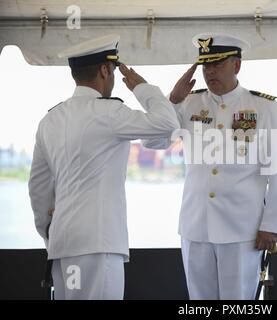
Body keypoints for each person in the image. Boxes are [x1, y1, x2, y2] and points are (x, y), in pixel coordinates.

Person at [28, 34, 179, 299]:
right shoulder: (109, 113)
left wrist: (50, 233)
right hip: (98, 244)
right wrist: (142, 88)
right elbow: (167, 124)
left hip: (63, 246)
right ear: (104, 69)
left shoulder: (49, 120)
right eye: (112, 71)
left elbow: (38, 188)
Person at [140, 33, 277, 299]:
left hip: (242, 228)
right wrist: (171, 101)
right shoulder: (188, 102)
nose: (210, 71)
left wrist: (272, 224)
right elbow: (153, 142)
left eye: (217, 64)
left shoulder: (264, 107)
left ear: (236, 65)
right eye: (205, 65)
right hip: (196, 225)